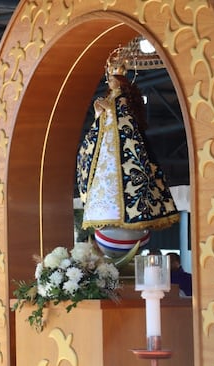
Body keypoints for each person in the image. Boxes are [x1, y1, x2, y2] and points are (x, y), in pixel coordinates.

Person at [76, 58, 179, 234]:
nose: (109, 81)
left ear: (121, 81)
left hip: (120, 143)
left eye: (113, 78)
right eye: (108, 78)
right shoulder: (110, 97)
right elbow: (101, 122)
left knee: (127, 172)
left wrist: (110, 109)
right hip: (106, 141)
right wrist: (99, 112)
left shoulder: (123, 98)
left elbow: (125, 120)